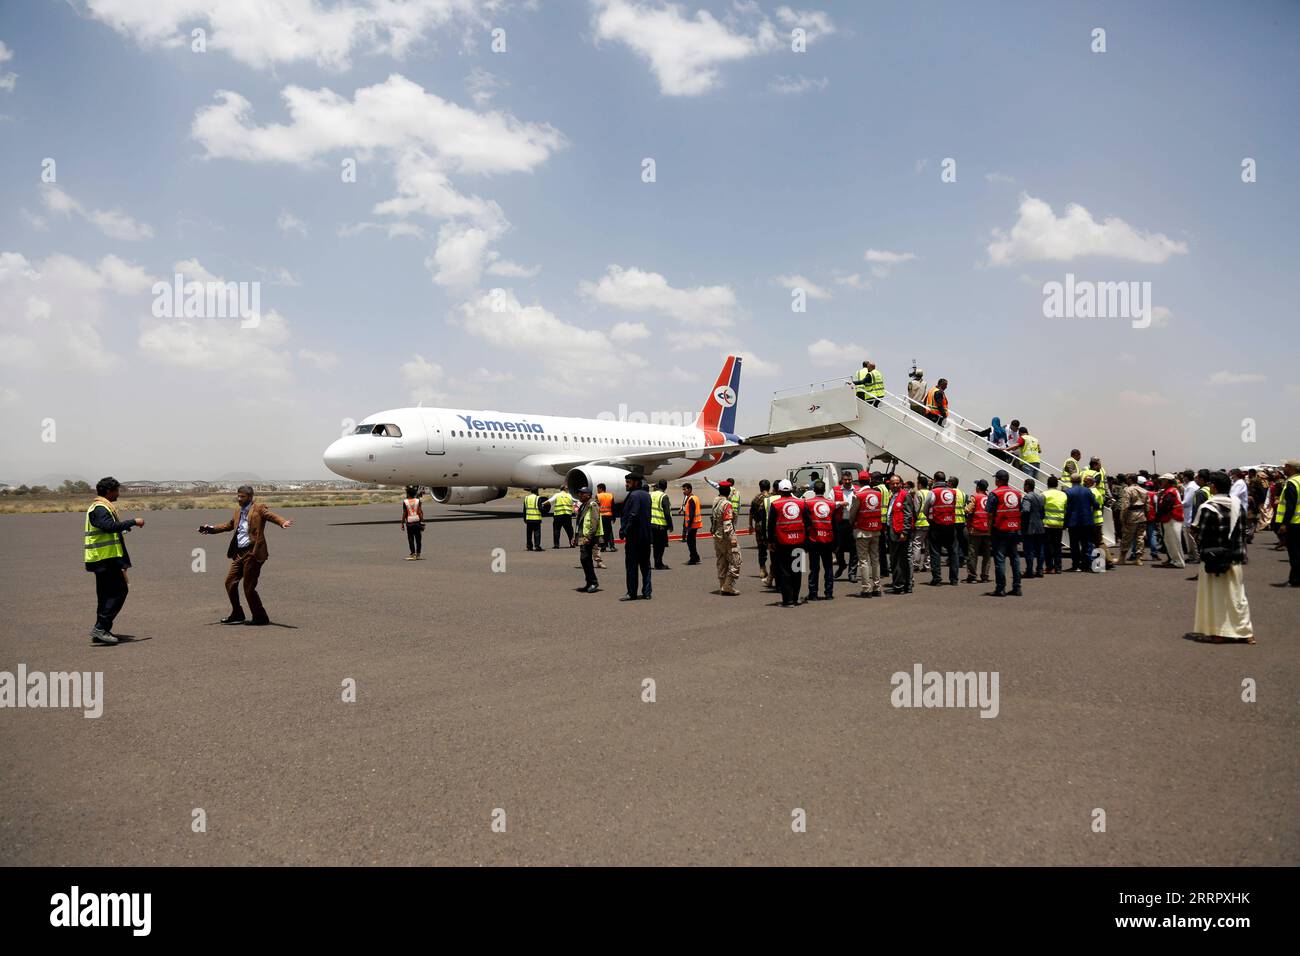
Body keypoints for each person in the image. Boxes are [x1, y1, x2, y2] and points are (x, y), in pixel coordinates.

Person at [199, 484, 293, 626]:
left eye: (242, 496)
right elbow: (229, 525)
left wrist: (282, 522)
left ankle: (260, 617)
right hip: (239, 553)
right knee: (229, 582)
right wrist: (211, 529)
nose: (239, 498)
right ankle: (237, 614)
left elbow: (270, 516)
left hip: (253, 553)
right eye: (238, 496)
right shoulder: (238, 511)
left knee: (248, 588)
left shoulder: (259, 508)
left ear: (250, 497)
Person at [1186, 471, 1254, 644]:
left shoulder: (1208, 507)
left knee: (1215, 596)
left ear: (1214, 487)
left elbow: (1195, 531)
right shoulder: (1238, 505)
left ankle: (1218, 633)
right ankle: (1246, 633)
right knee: (1237, 596)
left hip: (1213, 559)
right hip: (1236, 557)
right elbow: (1243, 529)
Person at [84, 476, 145, 645]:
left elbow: (108, 529)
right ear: (109, 491)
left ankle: (101, 629)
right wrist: (133, 521)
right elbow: (108, 526)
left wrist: (123, 529)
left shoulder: (100, 507)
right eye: (116, 490)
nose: (118, 493)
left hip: (103, 558)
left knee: (105, 595)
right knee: (119, 591)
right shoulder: (100, 508)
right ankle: (101, 628)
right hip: (104, 559)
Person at [768, 479, 809, 607]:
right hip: (799, 542)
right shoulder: (801, 503)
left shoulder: (775, 504)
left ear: (779, 491)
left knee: (784, 571)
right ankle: (795, 598)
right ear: (791, 489)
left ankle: (788, 600)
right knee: (797, 570)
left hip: (782, 543)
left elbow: (770, 525)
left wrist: (770, 541)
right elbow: (808, 522)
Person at [847, 470, 885, 597]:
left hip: (862, 531)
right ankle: (877, 587)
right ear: (869, 480)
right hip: (876, 531)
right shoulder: (877, 494)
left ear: (859, 481)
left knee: (863, 561)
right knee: (875, 559)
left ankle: (866, 589)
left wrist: (852, 524)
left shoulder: (858, 495)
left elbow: (852, 514)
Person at [985, 470, 1023, 597]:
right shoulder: (1017, 494)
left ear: (999, 480)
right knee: (1015, 558)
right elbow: (1020, 510)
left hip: (1000, 530)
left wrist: (989, 531)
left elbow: (989, 514)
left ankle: (1000, 588)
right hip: (1014, 529)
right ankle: (1017, 587)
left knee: (1000, 559)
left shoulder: (995, 494)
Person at [923, 471, 962, 586]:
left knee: (935, 551)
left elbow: (926, 508)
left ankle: (937, 578)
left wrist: (929, 518)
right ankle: (954, 579)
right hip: (950, 524)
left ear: (935, 480)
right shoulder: (953, 492)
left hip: (936, 525)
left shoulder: (933, 492)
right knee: (953, 551)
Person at [619, 473, 653, 600]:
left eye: (628, 482)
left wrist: (624, 531)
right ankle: (647, 592)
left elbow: (633, 515)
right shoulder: (646, 495)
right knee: (645, 565)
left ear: (636, 482)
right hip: (646, 536)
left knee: (632, 566)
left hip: (635, 537)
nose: (626, 484)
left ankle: (632, 592)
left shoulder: (633, 496)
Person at [805, 480, 836, 600]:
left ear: (814, 491)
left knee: (814, 568)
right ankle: (829, 593)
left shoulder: (807, 503)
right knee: (828, 567)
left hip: (813, 539)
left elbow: (806, 523)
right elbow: (834, 524)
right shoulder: (831, 504)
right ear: (824, 490)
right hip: (828, 539)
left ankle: (813, 593)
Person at [1272, 458, 1300, 587]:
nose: (1283, 469)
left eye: (1285, 466)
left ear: (1290, 468)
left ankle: (1295, 580)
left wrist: (1284, 524)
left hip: (1294, 523)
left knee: (1294, 553)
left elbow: (1290, 506)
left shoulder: (1292, 483)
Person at [711, 480, 741, 595]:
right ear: (728, 491)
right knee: (736, 560)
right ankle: (728, 585)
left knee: (722, 560)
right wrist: (732, 538)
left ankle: (722, 584)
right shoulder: (726, 504)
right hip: (725, 536)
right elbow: (727, 523)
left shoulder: (715, 501)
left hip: (717, 535)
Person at [886, 474, 915, 594]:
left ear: (901, 484)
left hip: (900, 533)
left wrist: (904, 531)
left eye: (897, 483)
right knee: (897, 560)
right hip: (892, 531)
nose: (895, 485)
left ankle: (899, 586)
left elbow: (909, 515)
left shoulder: (905, 495)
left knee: (899, 561)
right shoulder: (893, 496)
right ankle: (904, 585)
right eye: (893, 483)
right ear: (890, 484)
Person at [573, 486, 603, 593]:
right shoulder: (583, 505)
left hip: (590, 537)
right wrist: (575, 537)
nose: (580, 495)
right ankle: (589, 582)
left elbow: (594, 522)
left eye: (582, 493)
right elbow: (580, 523)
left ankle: (593, 582)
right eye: (579, 493)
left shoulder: (592, 505)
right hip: (583, 536)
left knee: (586, 559)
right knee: (584, 560)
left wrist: (588, 537)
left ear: (588, 495)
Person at [1064, 474, 1095, 572]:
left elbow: (1067, 509)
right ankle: (1089, 565)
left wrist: (1065, 523)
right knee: (1087, 544)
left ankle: (1076, 565)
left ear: (1071, 481)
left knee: (1074, 545)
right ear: (1081, 480)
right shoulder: (1087, 491)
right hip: (1087, 521)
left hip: (1073, 523)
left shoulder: (1068, 492)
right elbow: (1095, 504)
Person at [964, 479, 992, 583]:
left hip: (975, 529)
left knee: (973, 553)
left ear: (978, 487)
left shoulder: (975, 497)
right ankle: (985, 576)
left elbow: (968, 510)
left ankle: (972, 576)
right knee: (987, 554)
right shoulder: (989, 498)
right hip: (987, 530)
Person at [1155, 473, 1186, 569]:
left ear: (1168, 481)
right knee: (1169, 541)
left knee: (1174, 541)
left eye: (1164, 480)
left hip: (1173, 518)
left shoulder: (1171, 491)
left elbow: (1166, 506)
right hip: (1168, 519)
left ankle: (1179, 562)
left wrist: (1158, 516)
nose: (1162, 482)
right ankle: (1174, 560)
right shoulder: (1167, 491)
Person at [1117, 474, 1148, 567]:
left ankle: (1122, 558)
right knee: (1140, 538)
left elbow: (1125, 505)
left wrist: (1122, 517)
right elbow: (1147, 505)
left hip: (1131, 515)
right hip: (1142, 515)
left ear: (1130, 480)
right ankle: (1138, 559)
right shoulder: (1144, 490)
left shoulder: (1128, 490)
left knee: (1126, 537)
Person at [832, 470, 857, 581]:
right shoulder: (835, 490)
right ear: (842, 480)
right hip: (840, 523)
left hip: (853, 523)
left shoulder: (857, 490)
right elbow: (829, 504)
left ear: (852, 479)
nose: (847, 482)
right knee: (838, 548)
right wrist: (839, 504)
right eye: (845, 480)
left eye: (849, 480)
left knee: (854, 549)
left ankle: (852, 573)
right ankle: (842, 565)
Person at [1020, 477, 1045, 578]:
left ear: (1027, 486)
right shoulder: (1040, 497)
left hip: (1030, 528)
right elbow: (1043, 513)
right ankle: (1040, 570)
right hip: (1040, 527)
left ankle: (1029, 571)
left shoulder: (1027, 497)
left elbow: (1026, 510)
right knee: (1040, 550)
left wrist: (1020, 516)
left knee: (1029, 550)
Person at [750, 479, 773, 586]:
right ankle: (773, 571)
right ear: (769, 487)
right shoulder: (772, 497)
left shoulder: (756, 498)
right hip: (771, 526)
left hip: (759, 526)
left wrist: (750, 525)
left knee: (761, 548)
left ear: (760, 487)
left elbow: (751, 513)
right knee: (773, 549)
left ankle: (762, 569)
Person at [1042, 475, 1067, 574]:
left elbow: (1041, 508)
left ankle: (1049, 567)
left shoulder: (1044, 494)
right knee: (1057, 546)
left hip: (1047, 524)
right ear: (1057, 484)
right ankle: (1058, 567)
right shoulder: (1063, 495)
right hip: (1059, 524)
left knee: (1048, 547)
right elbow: (1066, 509)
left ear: (1047, 484)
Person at [649, 479, 674, 570]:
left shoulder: (651, 494)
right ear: (665, 487)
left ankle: (653, 563)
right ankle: (658, 563)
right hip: (660, 525)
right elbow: (667, 513)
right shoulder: (664, 496)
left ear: (658, 486)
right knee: (661, 545)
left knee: (654, 545)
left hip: (650, 523)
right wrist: (670, 525)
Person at [910, 474, 931, 575]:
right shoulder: (931, 493)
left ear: (920, 484)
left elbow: (917, 509)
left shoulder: (919, 494)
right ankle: (927, 565)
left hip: (921, 522)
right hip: (930, 523)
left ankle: (916, 565)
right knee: (928, 545)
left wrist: (916, 517)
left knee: (917, 544)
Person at [1181, 470, 1202, 563]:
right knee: (1190, 538)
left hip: (1189, 515)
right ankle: (1192, 556)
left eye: (1183, 476)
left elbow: (1186, 502)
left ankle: (1195, 556)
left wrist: (1175, 505)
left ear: (1186, 477)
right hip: (1189, 514)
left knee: (1190, 538)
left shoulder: (1190, 487)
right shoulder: (1192, 486)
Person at [400, 486, 425, 560]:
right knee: (418, 539)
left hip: (410, 522)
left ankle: (413, 554)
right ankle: (418, 554)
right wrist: (422, 522)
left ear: (408, 494)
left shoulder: (405, 502)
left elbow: (404, 513)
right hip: (417, 521)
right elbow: (420, 512)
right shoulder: (418, 501)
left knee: (411, 539)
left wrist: (402, 523)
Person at [680, 482, 702, 565]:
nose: (683, 491)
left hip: (692, 525)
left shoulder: (691, 499)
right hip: (695, 524)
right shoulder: (694, 497)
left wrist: (688, 526)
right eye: (683, 489)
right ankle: (696, 557)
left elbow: (692, 514)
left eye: (684, 489)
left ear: (689, 489)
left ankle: (693, 558)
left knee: (690, 542)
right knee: (692, 541)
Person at [596, 484, 616, 552]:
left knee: (602, 531)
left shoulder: (598, 496)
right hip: (609, 515)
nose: (597, 490)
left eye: (598, 489)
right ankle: (612, 546)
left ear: (601, 489)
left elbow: (596, 507)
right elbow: (613, 506)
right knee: (610, 531)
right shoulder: (610, 495)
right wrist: (614, 517)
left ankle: (603, 547)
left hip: (601, 515)